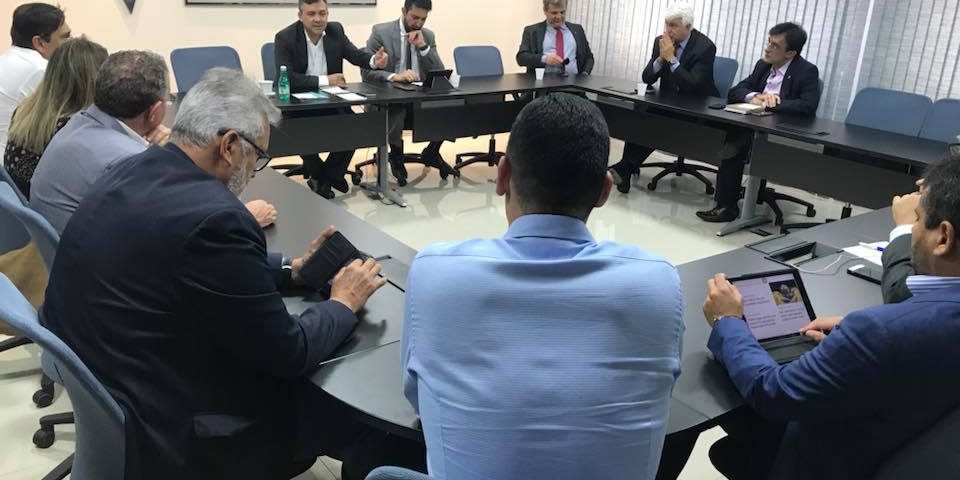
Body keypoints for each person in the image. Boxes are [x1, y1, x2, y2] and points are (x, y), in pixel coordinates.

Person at [42, 67, 388, 479]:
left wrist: (290, 270)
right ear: (228, 146)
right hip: (177, 431)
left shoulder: (133, 168)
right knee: (364, 423)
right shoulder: (217, 218)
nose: (254, 169)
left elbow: (177, 260)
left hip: (120, 383)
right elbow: (289, 352)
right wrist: (343, 303)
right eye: (257, 155)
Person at [402, 93, 684, 480]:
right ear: (604, 191)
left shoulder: (435, 273)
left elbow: (418, 399)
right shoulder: (658, 283)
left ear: (502, 175)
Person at [700, 156, 960, 479]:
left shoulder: (878, 333)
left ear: (943, 238)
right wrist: (856, 337)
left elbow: (774, 393)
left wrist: (727, 321)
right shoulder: (892, 331)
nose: (911, 231)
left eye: (917, 219)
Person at [30, 50, 277, 232]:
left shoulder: (79, 123)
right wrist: (245, 216)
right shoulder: (127, 160)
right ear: (156, 112)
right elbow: (189, 228)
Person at [696, 22, 821, 223]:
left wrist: (773, 104)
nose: (767, 48)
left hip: (782, 131)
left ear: (790, 53)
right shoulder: (763, 65)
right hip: (752, 125)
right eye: (768, 42)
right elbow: (736, 90)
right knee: (728, 136)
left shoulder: (806, 71)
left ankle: (727, 207)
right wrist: (754, 96)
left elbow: (808, 106)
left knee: (734, 145)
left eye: (775, 45)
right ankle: (726, 203)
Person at [273, 0, 389, 199]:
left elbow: (355, 55)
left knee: (357, 126)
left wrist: (373, 61)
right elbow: (287, 78)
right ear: (300, 16)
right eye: (311, 14)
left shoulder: (335, 31)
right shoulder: (285, 37)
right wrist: (326, 80)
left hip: (331, 100)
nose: (318, 19)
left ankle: (326, 177)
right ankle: (324, 177)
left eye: (322, 13)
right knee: (298, 130)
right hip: (298, 104)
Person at [609, 2, 718, 194]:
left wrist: (672, 60)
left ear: (688, 27)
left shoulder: (705, 47)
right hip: (668, 101)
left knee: (658, 122)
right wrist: (660, 58)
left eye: (673, 25)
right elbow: (647, 78)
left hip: (697, 105)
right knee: (640, 112)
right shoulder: (661, 41)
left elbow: (692, 85)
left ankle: (625, 168)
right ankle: (626, 168)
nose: (668, 30)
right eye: (667, 24)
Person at [362, 0, 453, 186]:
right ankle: (396, 155)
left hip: (418, 96)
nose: (418, 23)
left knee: (449, 105)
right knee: (398, 109)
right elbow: (366, 71)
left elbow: (439, 71)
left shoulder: (427, 35)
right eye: (414, 17)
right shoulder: (381, 32)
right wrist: (394, 76)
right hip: (388, 98)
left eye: (423, 19)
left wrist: (423, 47)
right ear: (404, 11)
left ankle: (432, 151)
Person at [4, 36, 107, 197]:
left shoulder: (25, 110)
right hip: (46, 206)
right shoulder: (74, 130)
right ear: (94, 81)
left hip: (20, 203)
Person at [0, 3, 71, 158]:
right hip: (12, 164)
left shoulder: (6, 59)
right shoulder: (41, 70)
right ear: (40, 43)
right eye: (65, 38)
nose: (70, 44)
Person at [516, 0, 595, 76]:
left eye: (562, 12)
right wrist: (545, 59)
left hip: (574, 83)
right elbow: (521, 58)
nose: (559, 17)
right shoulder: (532, 31)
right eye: (554, 13)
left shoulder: (577, 30)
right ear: (545, 11)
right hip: (544, 83)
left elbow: (589, 57)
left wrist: (584, 75)